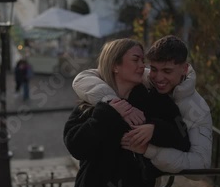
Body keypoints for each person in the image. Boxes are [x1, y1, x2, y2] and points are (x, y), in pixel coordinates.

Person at [64, 38, 189, 187]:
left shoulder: (155, 101)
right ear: (115, 65)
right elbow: (75, 145)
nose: (142, 66)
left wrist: (154, 129)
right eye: (136, 60)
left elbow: (183, 139)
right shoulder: (92, 103)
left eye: (142, 61)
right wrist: (108, 111)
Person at [72, 35, 212, 175]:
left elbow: (200, 165)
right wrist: (112, 103)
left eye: (167, 71)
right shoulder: (141, 77)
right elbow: (85, 77)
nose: (158, 78)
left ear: (184, 69)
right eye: (154, 69)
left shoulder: (198, 108)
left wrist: (149, 147)